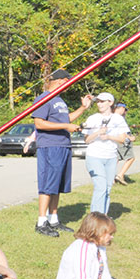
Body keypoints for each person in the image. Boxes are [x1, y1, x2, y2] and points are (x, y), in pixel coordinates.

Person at [31, 69, 93, 237]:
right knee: (47, 184)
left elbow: (67, 120)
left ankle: (53, 219)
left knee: (57, 184)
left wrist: (82, 108)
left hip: (63, 146)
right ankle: (41, 222)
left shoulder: (59, 100)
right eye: (68, 82)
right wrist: (66, 127)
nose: (68, 86)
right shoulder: (44, 98)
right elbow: (39, 124)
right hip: (50, 147)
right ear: (60, 81)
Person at [81, 92, 129, 215]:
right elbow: (86, 140)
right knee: (100, 187)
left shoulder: (118, 119)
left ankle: (103, 216)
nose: (99, 104)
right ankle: (95, 218)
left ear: (110, 103)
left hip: (111, 158)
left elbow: (122, 139)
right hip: (94, 156)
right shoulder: (92, 118)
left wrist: (108, 136)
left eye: (102, 101)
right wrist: (97, 133)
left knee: (107, 189)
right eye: (98, 101)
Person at [113, 103, 136, 185]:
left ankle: (111, 178)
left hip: (115, 140)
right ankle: (120, 175)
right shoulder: (119, 118)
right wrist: (130, 138)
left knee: (115, 159)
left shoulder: (111, 116)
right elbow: (123, 131)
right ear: (121, 108)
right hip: (123, 140)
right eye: (125, 110)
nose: (125, 112)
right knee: (131, 158)